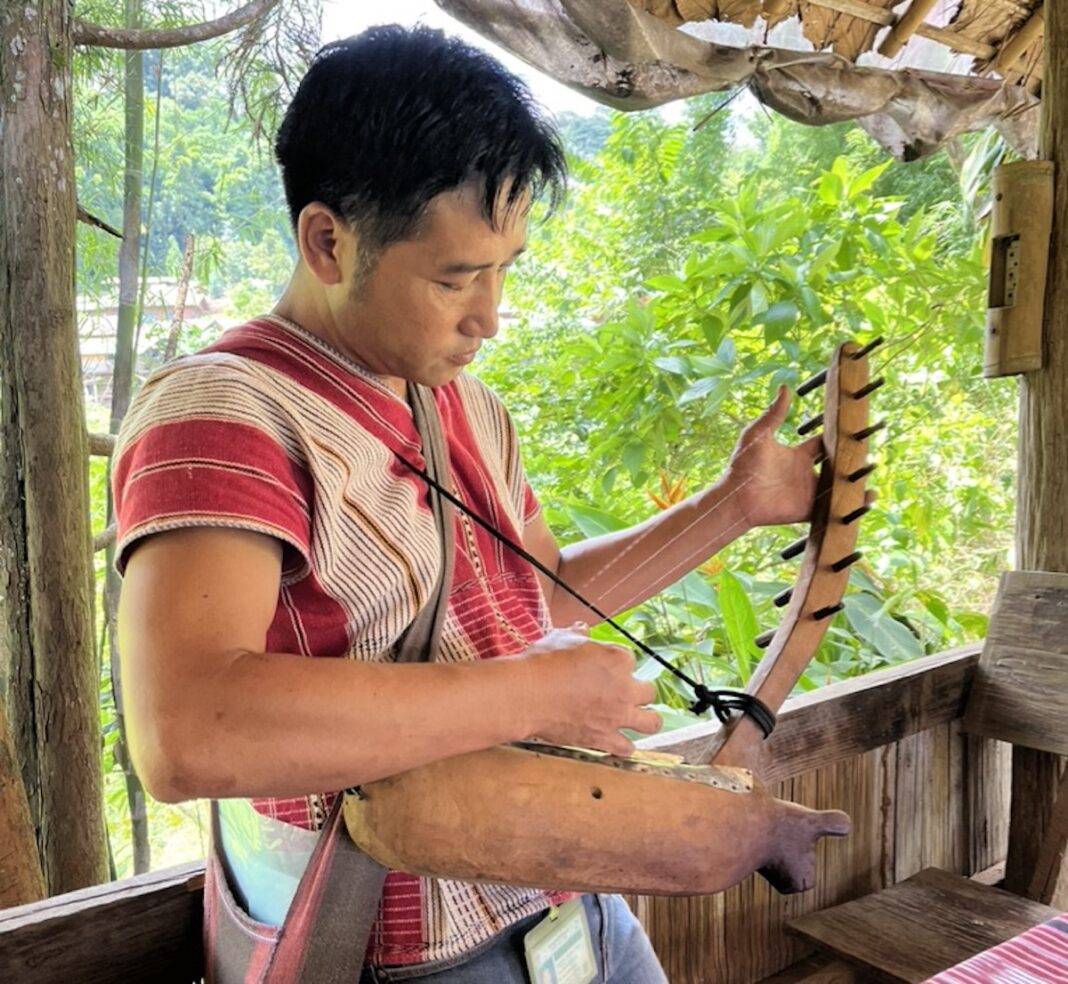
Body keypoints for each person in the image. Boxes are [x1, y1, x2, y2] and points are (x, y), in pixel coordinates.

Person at [113, 24, 821, 983]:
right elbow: (186, 731)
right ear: (328, 239)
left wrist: (732, 506)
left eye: (505, 269)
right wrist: (537, 692)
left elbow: (541, 595)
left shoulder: (463, 404)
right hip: (400, 951)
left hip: (570, 895)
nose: (489, 315)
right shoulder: (221, 410)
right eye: (455, 277)